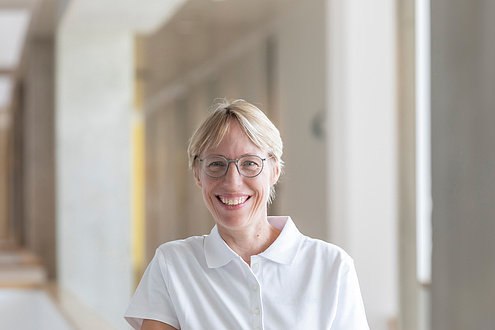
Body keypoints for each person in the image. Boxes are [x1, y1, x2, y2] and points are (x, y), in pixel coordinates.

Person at [124, 99, 369, 329]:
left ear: (274, 171)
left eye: (250, 163)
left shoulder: (332, 267)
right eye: (216, 164)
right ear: (198, 174)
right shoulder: (173, 265)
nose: (232, 182)